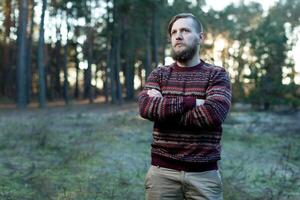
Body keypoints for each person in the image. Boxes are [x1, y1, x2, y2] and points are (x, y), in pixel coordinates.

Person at [138, 13, 232, 200]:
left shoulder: (217, 75)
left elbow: (213, 114)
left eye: (185, 30)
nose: (178, 36)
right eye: (174, 32)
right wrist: (192, 102)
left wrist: (164, 111)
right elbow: (146, 108)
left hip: (204, 176)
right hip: (161, 174)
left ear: (201, 37)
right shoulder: (159, 74)